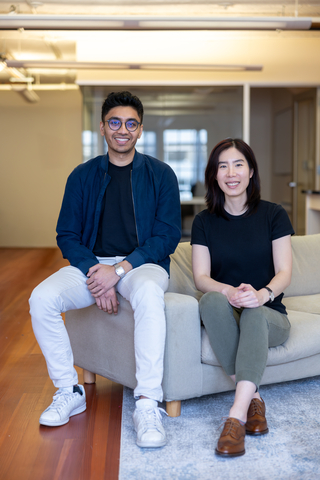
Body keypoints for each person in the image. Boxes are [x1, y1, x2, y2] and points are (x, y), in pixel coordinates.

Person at [29, 91, 181, 448]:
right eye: (115, 122)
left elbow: (168, 235)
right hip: (92, 265)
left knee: (146, 292)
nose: (122, 130)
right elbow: (66, 234)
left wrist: (122, 269)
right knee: (41, 298)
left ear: (140, 130)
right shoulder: (82, 177)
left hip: (142, 265)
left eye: (131, 123)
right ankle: (69, 389)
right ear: (102, 127)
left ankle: (146, 402)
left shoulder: (160, 175)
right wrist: (97, 272)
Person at [191, 138, 294, 457]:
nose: (230, 172)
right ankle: (255, 399)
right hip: (228, 311)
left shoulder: (274, 214)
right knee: (208, 301)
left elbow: (284, 272)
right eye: (222, 166)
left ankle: (235, 415)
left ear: (251, 172)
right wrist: (229, 292)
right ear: (214, 175)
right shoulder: (204, 222)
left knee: (253, 312)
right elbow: (201, 278)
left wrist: (261, 295)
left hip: (269, 316)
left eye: (238, 164)